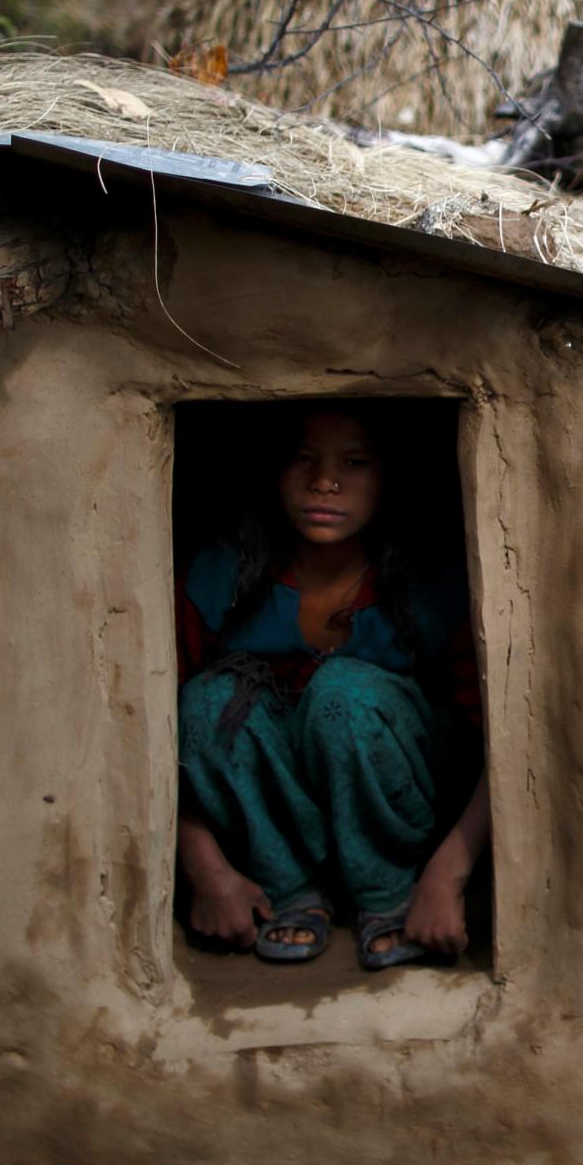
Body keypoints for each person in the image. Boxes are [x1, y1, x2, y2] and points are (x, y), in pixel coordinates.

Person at [174, 406, 488, 969]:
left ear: (389, 476)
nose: (325, 482)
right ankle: (289, 888)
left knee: (344, 693)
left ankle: (386, 890)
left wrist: (449, 874)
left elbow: (505, 746)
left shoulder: (434, 587)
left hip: (409, 818)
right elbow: (143, 737)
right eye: (303, 459)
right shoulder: (220, 574)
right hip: (269, 829)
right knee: (206, 701)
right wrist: (204, 868)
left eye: (355, 462)